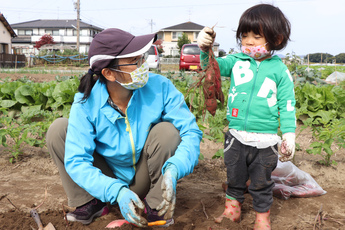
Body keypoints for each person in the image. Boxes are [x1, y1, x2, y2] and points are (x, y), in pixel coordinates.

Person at [46, 28, 202, 228]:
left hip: (142, 176)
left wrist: (174, 168)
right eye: (135, 61)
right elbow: (77, 161)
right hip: (106, 175)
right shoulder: (85, 103)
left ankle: (155, 205)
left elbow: (191, 132)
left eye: (142, 58)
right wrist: (116, 190)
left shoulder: (160, 87)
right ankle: (89, 201)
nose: (143, 66)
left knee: (167, 132)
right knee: (59, 129)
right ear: (109, 73)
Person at [197, 4, 296, 230]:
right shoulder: (236, 61)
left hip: (267, 140)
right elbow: (209, 68)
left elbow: (288, 105)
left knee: (262, 183)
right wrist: (204, 49)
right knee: (235, 178)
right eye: (244, 35)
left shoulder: (279, 71)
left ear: (276, 38)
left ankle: (262, 219)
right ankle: (232, 212)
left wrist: (289, 136)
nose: (248, 41)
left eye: (256, 36)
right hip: (236, 136)